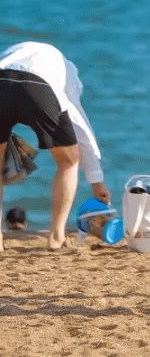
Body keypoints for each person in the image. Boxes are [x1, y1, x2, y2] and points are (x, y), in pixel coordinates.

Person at [0, 40, 110, 251]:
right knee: (68, 160)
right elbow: (80, 128)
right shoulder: (66, 72)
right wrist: (96, 181)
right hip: (37, 86)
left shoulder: (15, 52)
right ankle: (57, 237)